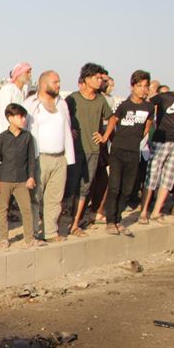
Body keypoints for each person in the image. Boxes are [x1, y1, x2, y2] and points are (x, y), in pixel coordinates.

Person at [95, 70, 154, 236]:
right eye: (139, 86)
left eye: (145, 86)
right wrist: (105, 137)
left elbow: (147, 126)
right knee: (114, 187)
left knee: (127, 189)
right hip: (118, 150)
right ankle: (110, 221)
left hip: (134, 152)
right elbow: (113, 120)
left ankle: (118, 220)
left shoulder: (149, 107)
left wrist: (136, 140)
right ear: (132, 87)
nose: (143, 89)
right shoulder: (123, 105)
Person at [24, 70, 75, 242]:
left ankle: (50, 233)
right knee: (34, 198)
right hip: (39, 158)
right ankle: (32, 232)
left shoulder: (62, 104)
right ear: (43, 84)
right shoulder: (31, 104)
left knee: (55, 199)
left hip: (59, 158)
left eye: (59, 82)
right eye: (55, 82)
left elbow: (67, 128)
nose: (59, 85)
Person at [139, 72, 174, 223]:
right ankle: (143, 212)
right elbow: (147, 104)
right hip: (160, 140)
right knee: (151, 177)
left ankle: (156, 212)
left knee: (168, 179)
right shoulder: (164, 97)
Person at [65, 63, 111, 236]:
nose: (100, 81)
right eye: (97, 78)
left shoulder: (101, 100)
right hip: (74, 150)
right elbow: (62, 117)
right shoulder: (72, 99)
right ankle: (61, 223)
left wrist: (104, 136)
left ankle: (75, 224)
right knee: (69, 187)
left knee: (84, 189)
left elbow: (112, 118)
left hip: (93, 151)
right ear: (87, 79)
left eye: (101, 78)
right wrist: (69, 129)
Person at [0, 103, 40, 248]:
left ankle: (29, 238)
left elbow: (31, 159)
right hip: (4, 179)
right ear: (10, 118)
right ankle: (4, 238)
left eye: (24, 117)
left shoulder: (27, 137)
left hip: (22, 181)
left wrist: (31, 176)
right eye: (20, 116)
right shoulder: (1, 138)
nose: (23, 120)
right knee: (3, 210)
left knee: (27, 210)